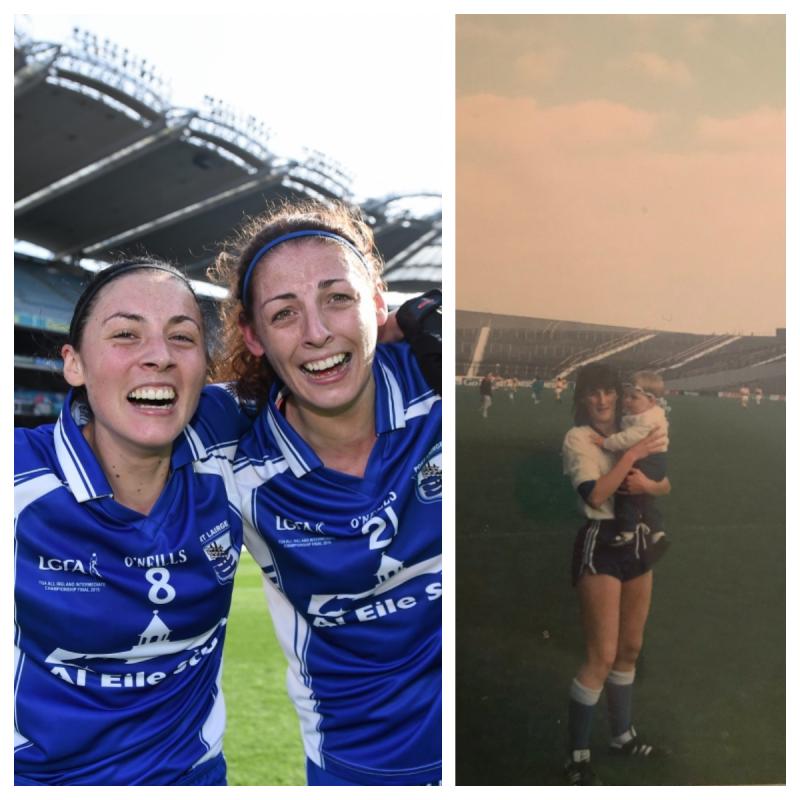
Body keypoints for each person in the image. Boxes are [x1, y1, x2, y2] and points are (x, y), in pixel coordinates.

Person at [210, 200, 442, 786]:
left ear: (379, 301)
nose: (317, 333)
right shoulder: (234, 466)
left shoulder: (441, 389)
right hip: (355, 769)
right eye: (284, 314)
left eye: (338, 298)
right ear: (253, 336)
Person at [14, 261, 250, 785]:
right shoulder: (18, 481)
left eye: (182, 338)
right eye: (125, 334)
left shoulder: (229, 442)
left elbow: (315, 364)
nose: (159, 357)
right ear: (73, 364)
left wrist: (406, 329)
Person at [561, 363, 670, 786]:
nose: (602, 401)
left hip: (638, 539)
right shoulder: (578, 439)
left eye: (608, 392)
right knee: (601, 655)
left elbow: (665, 484)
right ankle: (576, 757)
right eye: (593, 393)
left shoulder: (634, 424)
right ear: (583, 399)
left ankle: (622, 735)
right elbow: (597, 493)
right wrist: (631, 456)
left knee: (630, 647)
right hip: (601, 541)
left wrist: (651, 484)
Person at [592, 370, 670, 565]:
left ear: (651, 401)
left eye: (633, 397)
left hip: (649, 460)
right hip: (656, 460)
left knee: (626, 492)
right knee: (645, 498)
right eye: (626, 396)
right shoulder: (647, 413)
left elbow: (627, 439)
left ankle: (627, 531)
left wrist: (605, 442)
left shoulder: (646, 420)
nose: (627, 401)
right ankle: (657, 531)